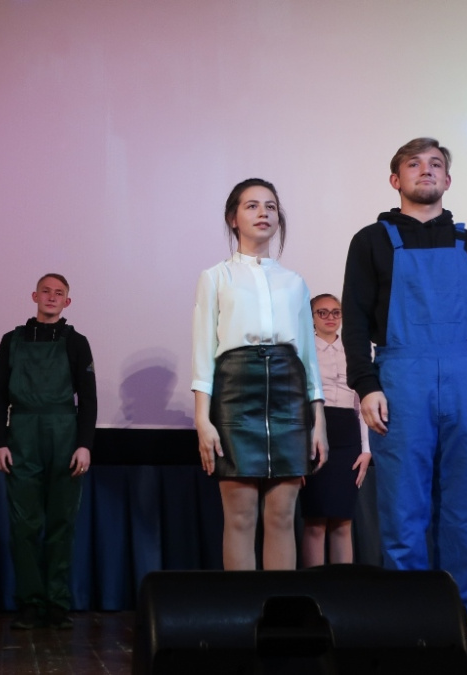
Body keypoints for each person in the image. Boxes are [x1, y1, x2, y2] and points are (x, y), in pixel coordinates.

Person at [341, 138, 467, 639]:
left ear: (448, 180)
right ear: (395, 179)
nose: (427, 170)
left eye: (436, 164)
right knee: (403, 503)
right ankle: (408, 606)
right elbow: (354, 320)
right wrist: (366, 384)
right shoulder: (371, 241)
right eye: (414, 164)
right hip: (402, 375)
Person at [192, 178, 328, 572]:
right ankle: (244, 607)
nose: (263, 213)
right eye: (251, 206)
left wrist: (318, 421)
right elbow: (203, 352)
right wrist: (202, 419)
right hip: (235, 392)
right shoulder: (216, 277)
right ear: (233, 218)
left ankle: (279, 605)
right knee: (240, 516)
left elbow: (308, 356)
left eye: (270, 206)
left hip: (288, 392)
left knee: (283, 515)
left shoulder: (294, 282)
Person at [0, 273, 97, 630]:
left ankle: (56, 604)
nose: (51, 297)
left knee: (62, 523)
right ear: (34, 296)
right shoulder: (11, 341)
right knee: (24, 525)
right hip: (21, 435)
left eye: (58, 293)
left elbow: (88, 399)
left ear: (67, 301)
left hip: (64, 435)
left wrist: (84, 445)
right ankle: (30, 604)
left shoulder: (76, 342)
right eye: (46, 291)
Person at [299, 293, 372, 567]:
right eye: (322, 312)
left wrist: (366, 449)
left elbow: (362, 404)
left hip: (348, 437)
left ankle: (343, 586)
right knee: (315, 520)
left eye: (336, 312)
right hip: (314, 434)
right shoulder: (303, 351)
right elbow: (296, 403)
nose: (330, 317)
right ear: (311, 318)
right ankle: (314, 586)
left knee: (343, 520)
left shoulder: (354, 350)